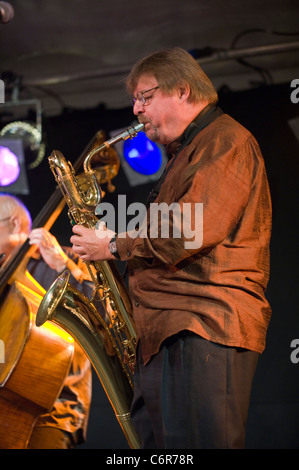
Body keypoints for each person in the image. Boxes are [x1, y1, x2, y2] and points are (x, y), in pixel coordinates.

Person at [69, 47, 272, 449]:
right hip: (170, 334)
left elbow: (190, 230)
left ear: (183, 90)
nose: (137, 110)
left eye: (145, 96)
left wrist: (112, 242)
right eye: (134, 100)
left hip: (200, 328)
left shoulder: (226, 140)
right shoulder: (187, 153)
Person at [0, 193, 92, 449]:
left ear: (15, 224)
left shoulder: (67, 258)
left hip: (54, 407)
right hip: (8, 399)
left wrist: (63, 266)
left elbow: (100, 316)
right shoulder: (3, 279)